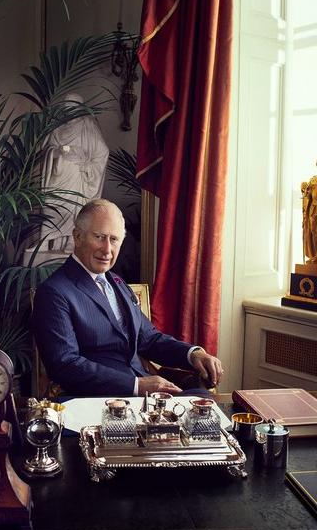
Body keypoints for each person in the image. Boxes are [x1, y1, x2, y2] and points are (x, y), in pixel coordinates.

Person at [31, 199, 224, 397]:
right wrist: (136, 385)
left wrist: (193, 354)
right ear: (78, 236)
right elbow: (65, 365)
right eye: (99, 237)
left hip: (142, 397)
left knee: (206, 400)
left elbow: (149, 339)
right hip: (98, 400)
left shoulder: (117, 282)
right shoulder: (54, 292)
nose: (107, 250)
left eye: (114, 239)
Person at [35, 93, 109, 254]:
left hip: (77, 176)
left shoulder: (88, 128)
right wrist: (56, 152)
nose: (69, 109)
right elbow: (46, 150)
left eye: (73, 106)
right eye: (67, 105)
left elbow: (102, 152)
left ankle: (71, 241)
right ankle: (44, 241)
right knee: (51, 206)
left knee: (74, 209)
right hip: (57, 174)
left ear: (80, 108)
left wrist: (87, 166)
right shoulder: (57, 128)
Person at [301, 161, 317, 262]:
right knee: (313, 232)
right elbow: (308, 195)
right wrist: (304, 187)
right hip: (314, 210)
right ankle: (316, 255)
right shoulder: (313, 180)